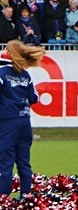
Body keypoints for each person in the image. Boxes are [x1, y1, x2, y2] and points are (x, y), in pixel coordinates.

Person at [0, 40, 44, 198]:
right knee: (24, 162)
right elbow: (34, 98)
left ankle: (3, 199)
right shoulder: (25, 75)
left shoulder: (2, 72)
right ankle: (26, 195)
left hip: (6, 122)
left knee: (5, 163)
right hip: (25, 122)